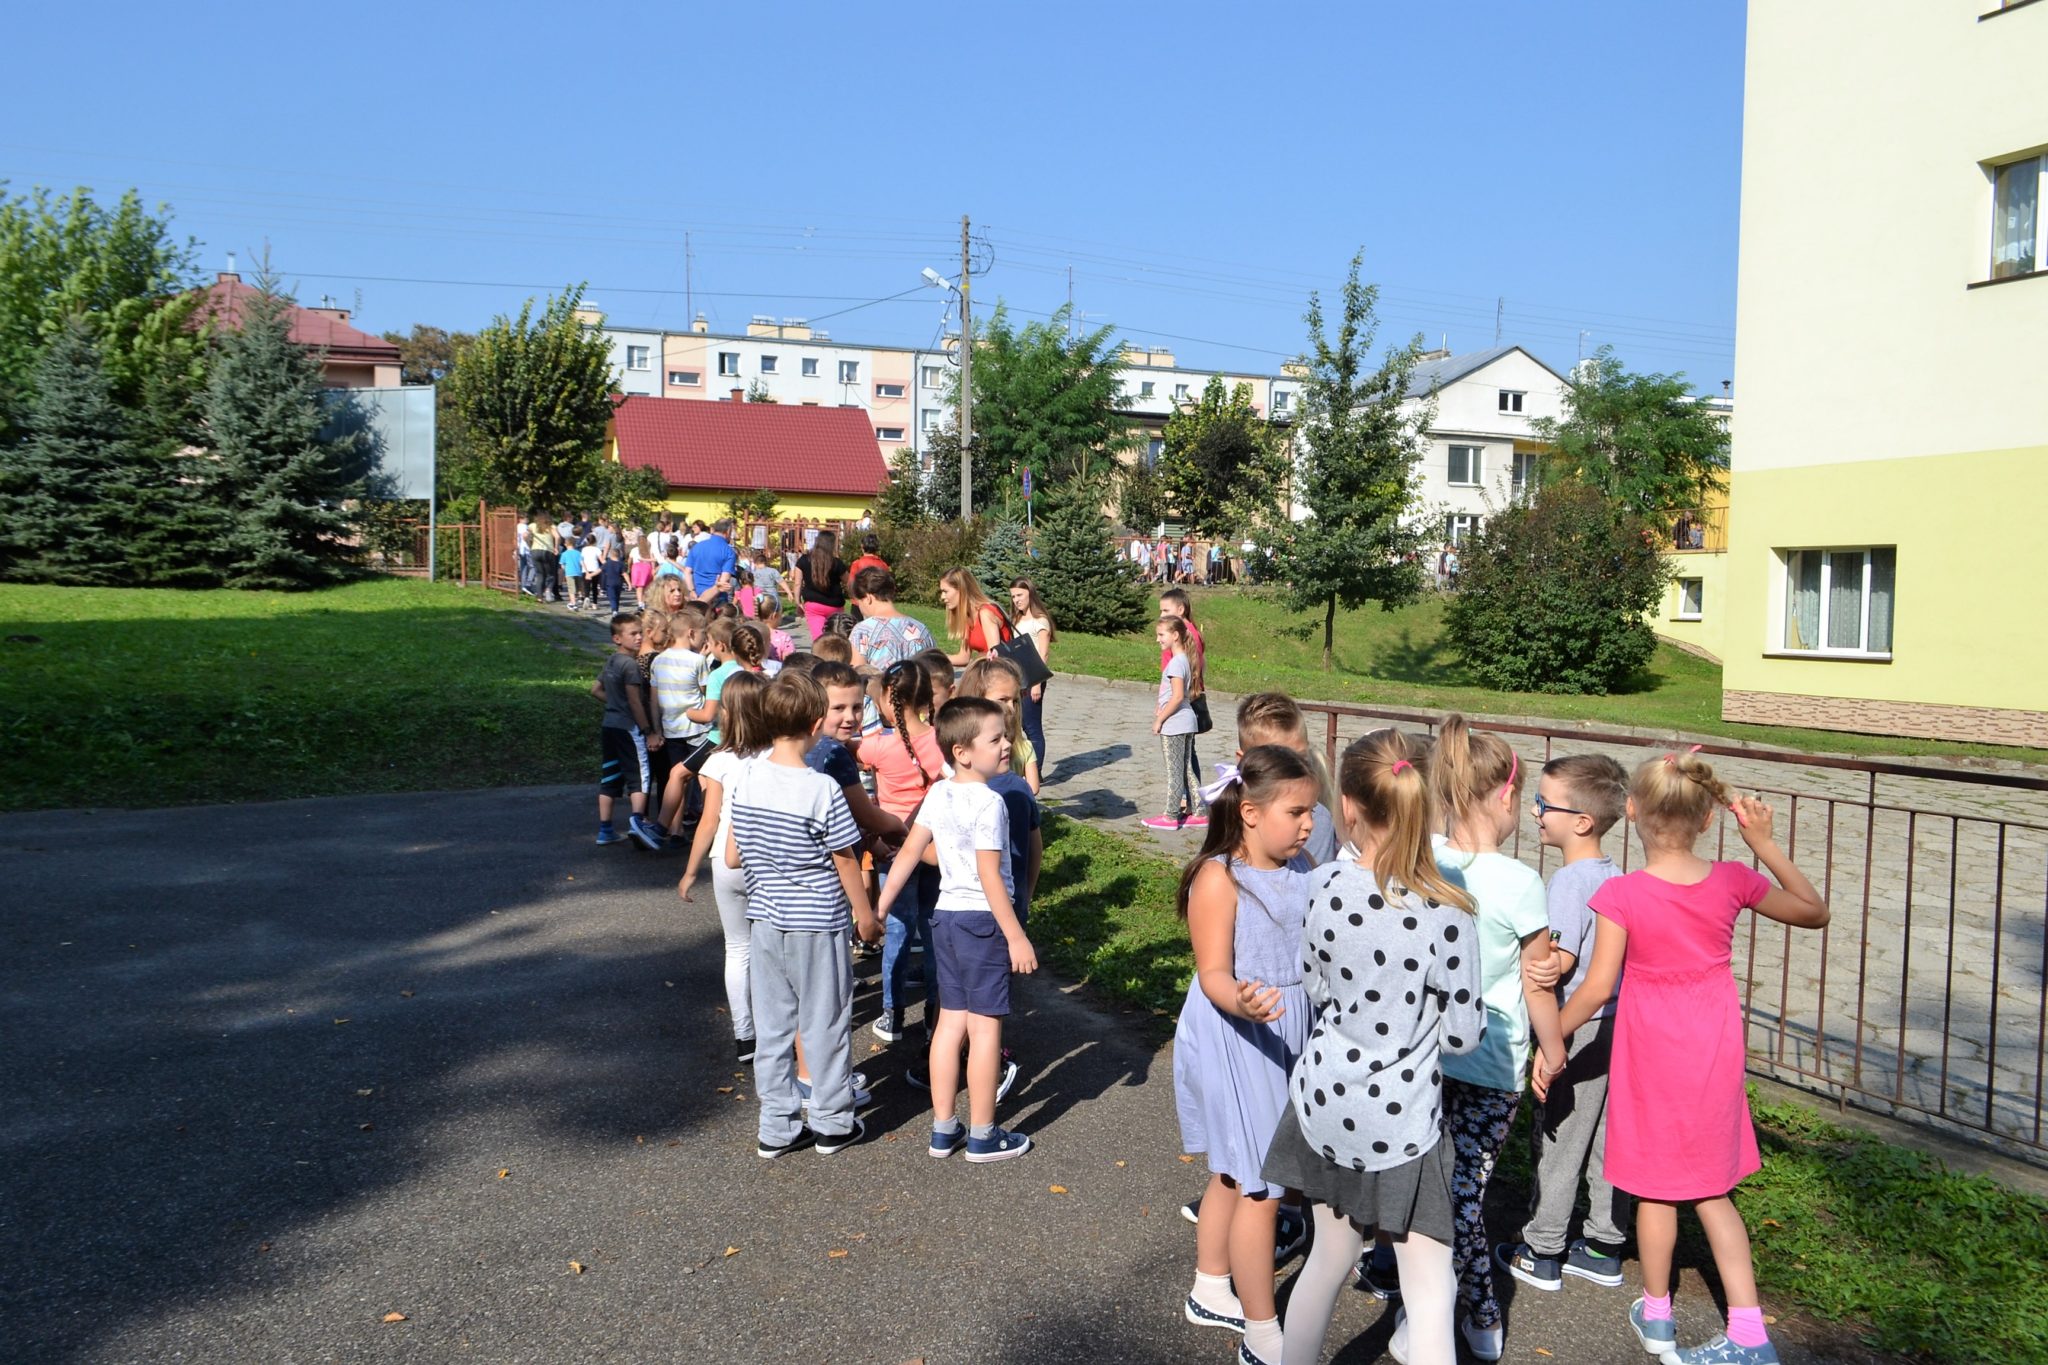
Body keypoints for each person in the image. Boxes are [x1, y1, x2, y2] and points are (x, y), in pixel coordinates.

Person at [1540, 750, 1827, 1365]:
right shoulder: (1732, 879)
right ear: (1707, 819)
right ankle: (1746, 1330)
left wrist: (1552, 1043)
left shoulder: (1621, 894)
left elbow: (1595, 988)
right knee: (1713, 1191)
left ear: (1631, 810)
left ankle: (1659, 1317)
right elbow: (1813, 910)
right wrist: (1763, 844)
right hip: (1712, 1053)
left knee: (1654, 1190)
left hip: (1650, 1055)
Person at [1263, 728, 1484, 1365]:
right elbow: (1463, 1035)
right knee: (1430, 1287)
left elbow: (1317, 986)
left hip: (1324, 1102)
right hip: (1403, 1121)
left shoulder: (1323, 884)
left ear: (1348, 806)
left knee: (1327, 1259)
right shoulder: (1450, 911)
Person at [1420, 716, 1566, 1362]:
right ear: (1507, 796)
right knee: (1463, 1196)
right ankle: (1477, 1305)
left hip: (1422, 1055)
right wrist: (1554, 1049)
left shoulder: (1423, 854)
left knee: (1435, 1186)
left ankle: (1428, 1293)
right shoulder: (1520, 882)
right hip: (1488, 1065)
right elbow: (1538, 980)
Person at [1170, 746, 1320, 1365]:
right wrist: (1244, 1002)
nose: (1309, 825)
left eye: (1312, 811)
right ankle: (1262, 1332)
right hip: (1239, 1031)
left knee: (1236, 1170)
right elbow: (1212, 972)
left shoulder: (1303, 864)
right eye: (1297, 812)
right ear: (1251, 813)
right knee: (1263, 1182)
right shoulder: (1219, 877)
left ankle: (1210, 1287)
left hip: (1288, 1027)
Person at [875, 696, 1037, 1163]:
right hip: (983, 924)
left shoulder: (938, 793)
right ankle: (984, 1134)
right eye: (996, 738)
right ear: (962, 752)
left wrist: (881, 907)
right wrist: (1016, 936)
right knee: (985, 1030)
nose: (1006, 745)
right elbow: (990, 877)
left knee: (950, 1024)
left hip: (944, 920)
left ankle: (944, 1128)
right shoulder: (990, 803)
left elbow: (908, 853)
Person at [1493, 754, 1633, 1296]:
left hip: (1578, 1025)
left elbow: (1560, 960)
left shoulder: (1570, 881)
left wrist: (1538, 962)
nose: (1535, 812)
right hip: (1617, 1026)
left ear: (1581, 822)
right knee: (1606, 1141)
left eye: (1543, 804)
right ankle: (1603, 1246)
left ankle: (1543, 1248)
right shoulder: (1613, 874)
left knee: (1560, 1139)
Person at [726, 672, 881, 1158]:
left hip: (765, 920)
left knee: (774, 1027)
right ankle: (833, 1122)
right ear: (816, 723)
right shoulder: (821, 789)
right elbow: (845, 860)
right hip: (818, 923)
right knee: (825, 1022)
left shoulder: (746, 778)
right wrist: (865, 916)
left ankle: (777, 1127)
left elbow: (732, 856)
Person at [678, 670, 768, 1064]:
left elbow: (708, 822)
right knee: (771, 947)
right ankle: (776, 1026)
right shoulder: (775, 757)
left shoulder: (717, 761)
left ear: (726, 712)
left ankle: (744, 1035)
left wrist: (690, 871)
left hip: (725, 863)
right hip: (767, 860)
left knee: (737, 948)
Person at [859, 661, 944, 1045]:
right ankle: (935, 1012)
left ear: (888, 699)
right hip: (935, 848)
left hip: (894, 849)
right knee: (934, 930)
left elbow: (851, 753)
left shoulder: (878, 746)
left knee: (898, 928)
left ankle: (891, 1013)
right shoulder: (942, 741)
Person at [593, 612, 666, 851]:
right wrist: (648, 730)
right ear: (617, 638)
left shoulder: (612, 661)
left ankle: (605, 830)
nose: (638, 637)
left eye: (640, 633)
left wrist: (615, 704)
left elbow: (595, 690)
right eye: (633, 634)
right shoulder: (631, 665)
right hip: (628, 728)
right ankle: (638, 823)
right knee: (640, 776)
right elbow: (635, 701)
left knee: (610, 776)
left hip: (609, 726)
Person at [652, 603, 715, 844]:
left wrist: (656, 728)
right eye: (702, 634)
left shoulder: (659, 661)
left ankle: (675, 830)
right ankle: (707, 826)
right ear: (691, 633)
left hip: (671, 729)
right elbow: (707, 693)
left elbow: (654, 699)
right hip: (697, 729)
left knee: (676, 779)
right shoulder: (697, 661)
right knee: (703, 777)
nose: (704, 639)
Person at [1145, 616, 1204, 831]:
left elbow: (1178, 696)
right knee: (1186, 769)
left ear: (1175, 635)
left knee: (1175, 771)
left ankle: (1170, 817)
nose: (1158, 639)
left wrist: (1160, 719)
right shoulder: (1183, 660)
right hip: (1185, 723)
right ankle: (1199, 812)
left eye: (1161, 635)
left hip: (1175, 724)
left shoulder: (1176, 663)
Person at [958, 657, 1040, 795]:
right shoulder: (965, 745)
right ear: (977, 698)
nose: (1011, 708)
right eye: (1002, 700)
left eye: (1015, 701)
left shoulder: (1023, 746)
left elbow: (1034, 788)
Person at [850, 567, 938, 672]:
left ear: (868, 598)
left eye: (859, 603)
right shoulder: (921, 629)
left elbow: (857, 673)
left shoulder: (863, 631)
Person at [1007, 578, 1055, 767]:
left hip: (1033, 678)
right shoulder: (1016, 619)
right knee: (1017, 723)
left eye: (1020, 595)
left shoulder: (1040, 621)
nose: (1016, 600)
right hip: (1017, 677)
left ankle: (1037, 772)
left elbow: (1044, 654)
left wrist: (1037, 683)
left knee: (1032, 727)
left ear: (1030, 594)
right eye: (1013, 596)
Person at [939, 567, 1012, 666]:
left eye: (945, 591)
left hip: (1002, 672)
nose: (942, 597)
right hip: (987, 671)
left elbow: (995, 659)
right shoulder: (967, 617)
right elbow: (963, 658)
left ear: (961, 590)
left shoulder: (985, 613)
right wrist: (934, 658)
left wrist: (976, 660)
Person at [797, 530, 849, 644]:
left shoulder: (804, 560)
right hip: (835, 605)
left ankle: (821, 653)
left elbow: (798, 584)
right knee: (836, 639)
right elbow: (848, 582)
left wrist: (798, 602)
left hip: (813, 605)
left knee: (819, 640)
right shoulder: (837, 563)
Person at [686, 517, 740, 613]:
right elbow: (724, 581)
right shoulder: (728, 551)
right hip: (717, 601)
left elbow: (687, 572)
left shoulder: (697, 546)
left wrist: (691, 591)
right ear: (728, 531)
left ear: (714, 529)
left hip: (697, 597)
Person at [755, 592, 794, 662]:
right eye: (781, 613)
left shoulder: (751, 633)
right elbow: (790, 662)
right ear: (774, 615)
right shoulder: (783, 638)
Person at [750, 548, 786, 619]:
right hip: (772, 594)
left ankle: (761, 620)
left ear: (756, 563)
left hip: (759, 594)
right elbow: (781, 582)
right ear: (765, 562)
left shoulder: (754, 573)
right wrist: (789, 592)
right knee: (776, 609)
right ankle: (774, 619)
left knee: (760, 609)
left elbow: (751, 585)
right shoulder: (773, 571)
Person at [628, 530, 655, 609]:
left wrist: (629, 567)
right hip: (646, 568)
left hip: (636, 568)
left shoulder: (634, 550)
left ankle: (640, 603)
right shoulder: (649, 550)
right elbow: (653, 560)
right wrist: (653, 569)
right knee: (646, 587)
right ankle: (645, 601)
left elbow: (630, 560)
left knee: (639, 587)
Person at [558, 535, 585, 612]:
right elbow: (582, 563)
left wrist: (565, 570)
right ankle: (583, 597)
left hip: (569, 573)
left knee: (571, 589)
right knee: (579, 587)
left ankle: (573, 603)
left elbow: (562, 565)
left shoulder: (564, 554)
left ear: (566, 544)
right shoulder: (578, 553)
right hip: (578, 572)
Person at [600, 543, 626, 616]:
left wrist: (591, 575)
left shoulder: (607, 563)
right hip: (619, 583)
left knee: (612, 597)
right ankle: (616, 610)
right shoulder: (621, 564)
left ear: (610, 555)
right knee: (617, 597)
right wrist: (629, 583)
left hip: (610, 583)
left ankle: (614, 610)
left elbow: (599, 570)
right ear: (619, 555)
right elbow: (624, 574)